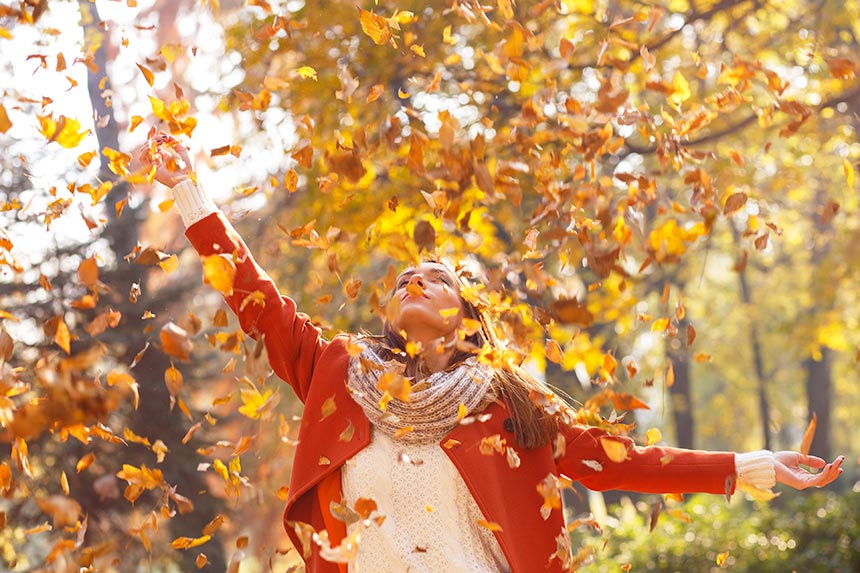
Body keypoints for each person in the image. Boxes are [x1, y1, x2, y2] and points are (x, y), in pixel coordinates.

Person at [137, 134, 844, 573]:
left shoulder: (510, 404)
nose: (413, 278)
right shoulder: (337, 370)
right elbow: (256, 298)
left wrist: (752, 465)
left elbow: (621, 459)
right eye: (403, 278)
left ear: (468, 320)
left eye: (435, 277)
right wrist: (189, 189)